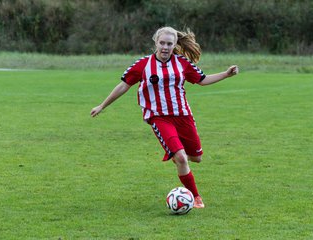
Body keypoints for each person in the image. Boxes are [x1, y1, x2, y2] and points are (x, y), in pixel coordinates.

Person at [90, 26, 239, 208]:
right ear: (156, 42)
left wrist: (226, 74)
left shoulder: (182, 63)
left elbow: (202, 80)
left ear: (175, 44)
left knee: (196, 158)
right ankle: (195, 197)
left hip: (183, 116)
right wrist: (102, 105)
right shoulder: (143, 65)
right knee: (182, 158)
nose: (165, 47)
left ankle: (176, 154)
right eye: (162, 43)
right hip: (159, 118)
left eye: (169, 44)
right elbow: (123, 86)